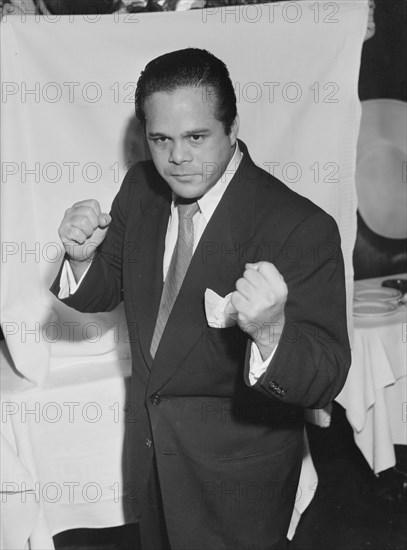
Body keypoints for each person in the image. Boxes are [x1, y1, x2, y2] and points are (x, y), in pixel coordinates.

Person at [51, 48, 351, 550]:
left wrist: (272, 333)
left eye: (196, 137)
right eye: (160, 139)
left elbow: (326, 377)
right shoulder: (141, 189)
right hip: (154, 466)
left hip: (238, 492)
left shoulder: (300, 226)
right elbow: (110, 288)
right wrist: (82, 260)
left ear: (232, 128)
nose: (177, 158)